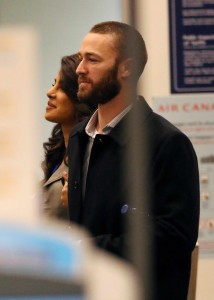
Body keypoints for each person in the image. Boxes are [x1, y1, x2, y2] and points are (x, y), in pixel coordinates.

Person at [64, 21, 200, 299]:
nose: (79, 69)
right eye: (81, 59)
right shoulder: (80, 137)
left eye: (92, 60)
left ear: (126, 67)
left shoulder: (167, 143)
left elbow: (173, 238)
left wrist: (86, 248)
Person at [41, 53, 95, 220]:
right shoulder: (58, 155)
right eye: (53, 84)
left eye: (62, 88)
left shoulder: (90, 158)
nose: (50, 92)